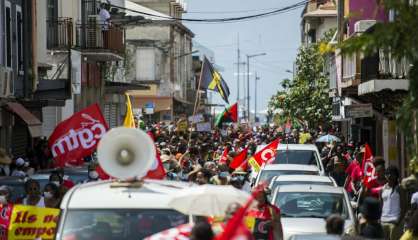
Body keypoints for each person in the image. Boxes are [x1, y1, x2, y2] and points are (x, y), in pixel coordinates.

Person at [381, 166, 405, 240]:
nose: (390, 176)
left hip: (394, 222)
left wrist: (398, 221)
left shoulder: (400, 188)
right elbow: (381, 205)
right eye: (388, 174)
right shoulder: (383, 189)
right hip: (383, 221)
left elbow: (404, 207)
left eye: (392, 174)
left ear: (396, 176)